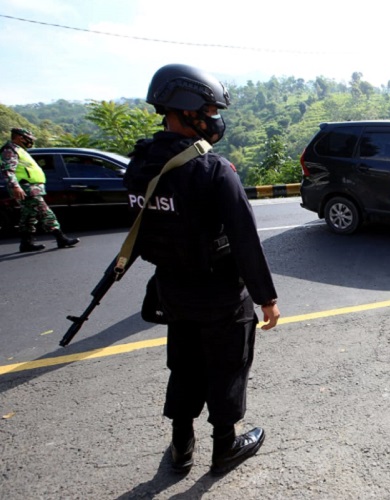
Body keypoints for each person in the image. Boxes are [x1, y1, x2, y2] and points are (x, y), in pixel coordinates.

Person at [123, 64, 281, 475]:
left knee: (185, 363)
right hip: (221, 294)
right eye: (208, 110)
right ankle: (225, 448)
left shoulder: (140, 166)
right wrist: (267, 298)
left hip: (171, 289)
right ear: (187, 108)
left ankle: (181, 447)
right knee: (228, 366)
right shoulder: (213, 169)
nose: (214, 119)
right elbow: (245, 239)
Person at [1, 128, 80, 252]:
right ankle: (61, 238)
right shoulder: (10, 150)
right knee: (45, 212)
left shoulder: (20, 150)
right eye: (28, 138)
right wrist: (15, 186)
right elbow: (8, 170)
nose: (30, 141)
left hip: (31, 188)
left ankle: (26, 243)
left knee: (29, 216)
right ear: (19, 137)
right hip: (26, 188)